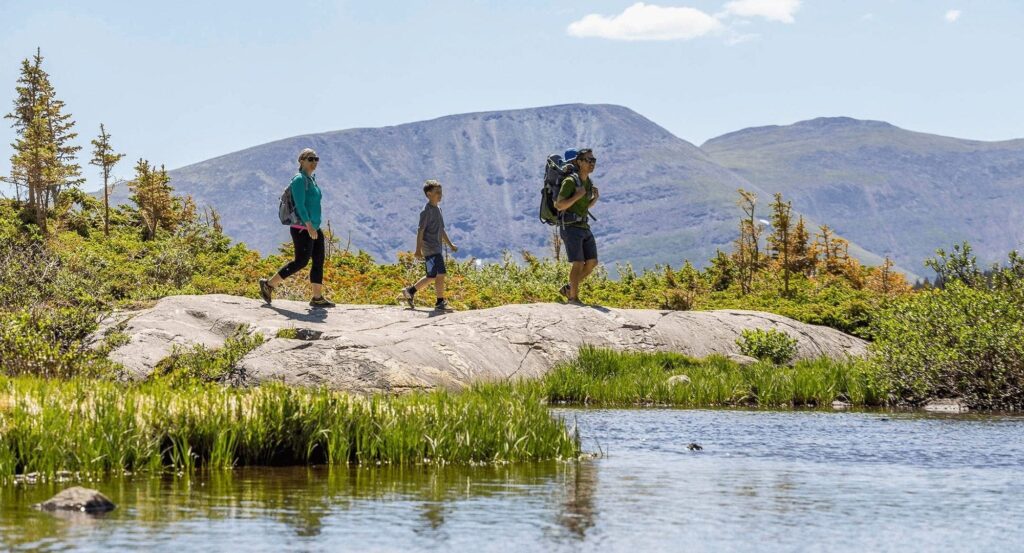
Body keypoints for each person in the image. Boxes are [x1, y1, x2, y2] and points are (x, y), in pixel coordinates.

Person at [259, 148, 335, 308]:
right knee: (301, 261)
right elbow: (300, 205)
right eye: (310, 159)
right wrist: (308, 225)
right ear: (301, 161)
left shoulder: (311, 179)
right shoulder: (299, 179)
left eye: (316, 159)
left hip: (314, 227)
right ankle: (269, 285)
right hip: (302, 228)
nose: (314, 162)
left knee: (319, 260)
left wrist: (314, 226)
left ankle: (317, 297)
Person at [402, 180, 458, 311]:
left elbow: (441, 229)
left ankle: (410, 291)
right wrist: (418, 250)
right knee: (440, 274)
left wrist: (450, 245)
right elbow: (420, 231)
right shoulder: (426, 211)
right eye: (437, 192)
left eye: (441, 192)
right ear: (429, 194)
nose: (440, 194)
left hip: (436, 248)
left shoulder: (438, 209)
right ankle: (439, 302)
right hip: (430, 249)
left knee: (433, 275)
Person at [554, 148, 599, 305]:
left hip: (583, 226)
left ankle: (569, 288)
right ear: (579, 162)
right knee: (578, 263)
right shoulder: (570, 182)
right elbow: (559, 205)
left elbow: (582, 207)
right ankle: (573, 298)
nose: (592, 163)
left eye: (594, 160)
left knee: (592, 262)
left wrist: (594, 200)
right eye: (589, 160)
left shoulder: (588, 182)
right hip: (570, 227)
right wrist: (577, 195)